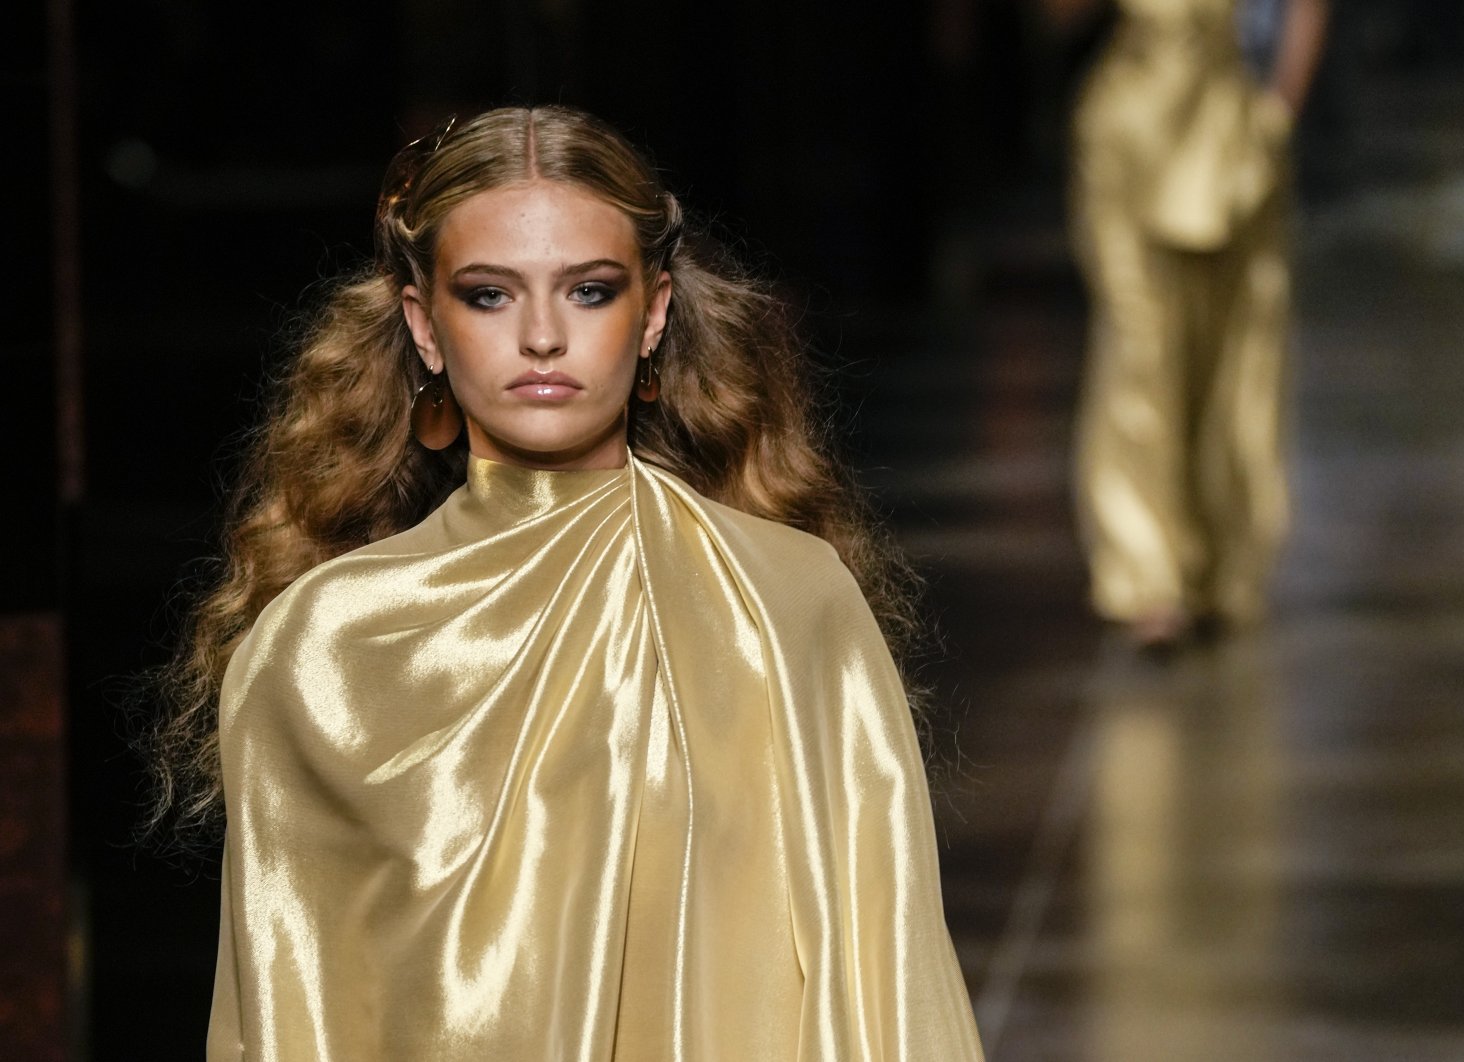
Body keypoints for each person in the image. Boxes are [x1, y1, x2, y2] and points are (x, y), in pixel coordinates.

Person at [148, 105, 984, 1061]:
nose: (542, 336)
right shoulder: (319, 654)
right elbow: (295, 1016)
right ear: (424, 325)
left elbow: (882, 982)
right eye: (489, 296)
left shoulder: (786, 605)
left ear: (655, 311)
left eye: (588, 292)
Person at [1068, 0, 1328, 647]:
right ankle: (1147, 575)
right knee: (1139, 346)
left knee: (1232, 350)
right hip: (1129, 132)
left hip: (1231, 135)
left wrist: (1279, 114)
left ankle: (1220, 564)